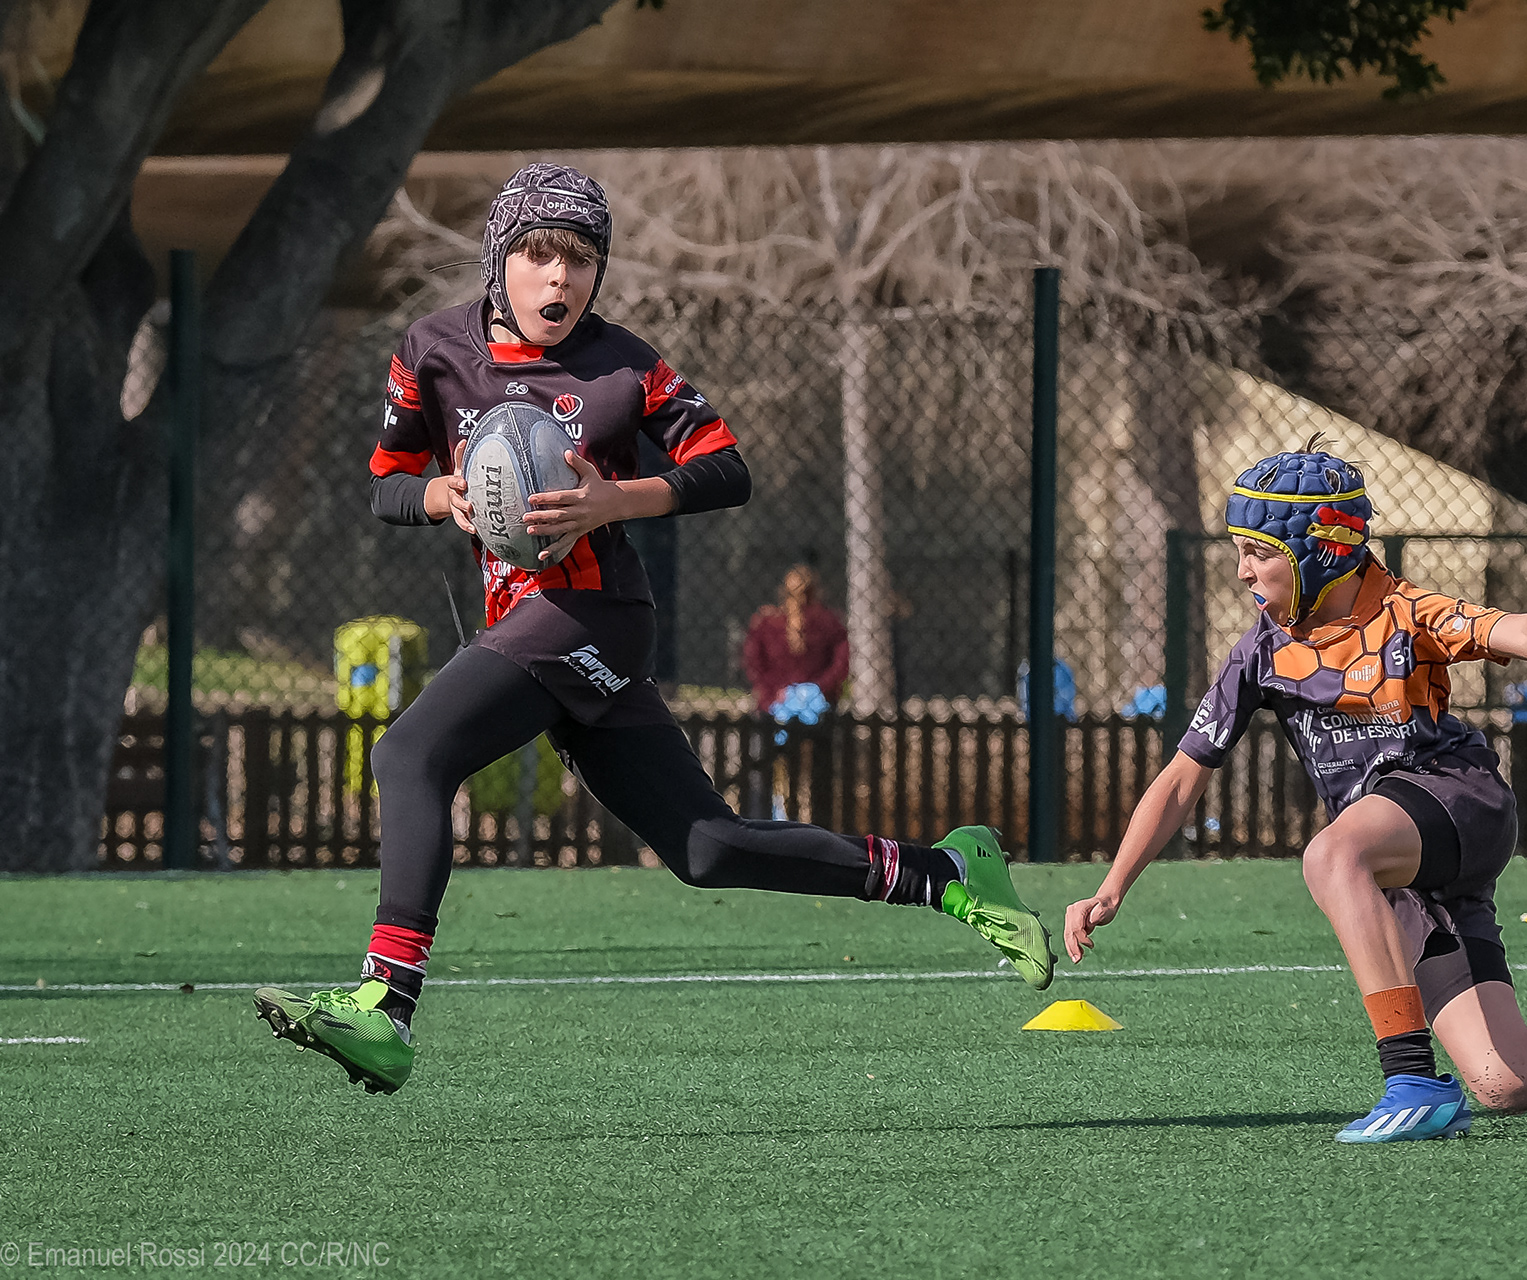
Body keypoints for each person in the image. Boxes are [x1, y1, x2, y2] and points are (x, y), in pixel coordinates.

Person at [254, 164, 1052, 1095]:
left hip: (594, 616)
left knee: (409, 755)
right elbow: (386, 482)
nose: (560, 278)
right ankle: (946, 872)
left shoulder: (624, 367)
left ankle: (385, 1005)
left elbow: (727, 468)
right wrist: (443, 495)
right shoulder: (431, 350)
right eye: (538, 255)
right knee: (706, 849)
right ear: (498, 261)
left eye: (580, 259)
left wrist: (613, 500)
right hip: (530, 627)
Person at [1063, 440, 1527, 1143]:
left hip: (1457, 802)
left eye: (1257, 553)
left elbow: (1514, 631)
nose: (1241, 572)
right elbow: (1182, 776)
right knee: (1508, 1082)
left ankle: (1411, 1081)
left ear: (1321, 550)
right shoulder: (1260, 653)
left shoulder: (1406, 613)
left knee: (1331, 857)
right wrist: (1112, 886)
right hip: (1398, 868)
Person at [742, 565, 849, 714]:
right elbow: (841, 663)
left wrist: (777, 692)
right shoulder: (830, 622)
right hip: (816, 702)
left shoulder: (766, 623)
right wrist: (818, 688)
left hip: (787, 702)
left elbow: (754, 664)